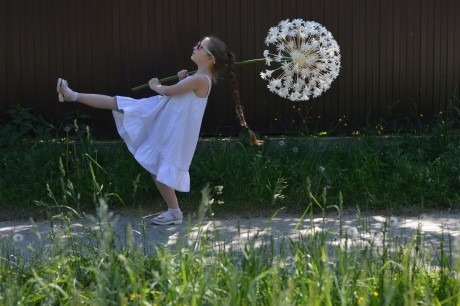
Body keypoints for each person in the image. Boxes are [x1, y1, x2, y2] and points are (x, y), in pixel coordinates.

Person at [56, 36, 262, 225]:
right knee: (118, 104)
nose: (194, 46)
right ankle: (71, 95)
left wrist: (154, 85)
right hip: (164, 115)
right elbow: (183, 95)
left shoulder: (201, 79)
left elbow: (169, 91)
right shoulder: (198, 78)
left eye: (199, 46)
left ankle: (175, 212)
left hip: (170, 125)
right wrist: (182, 80)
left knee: (157, 169)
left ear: (210, 58)